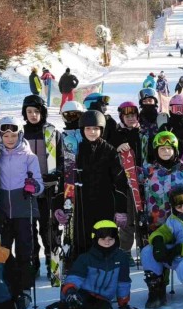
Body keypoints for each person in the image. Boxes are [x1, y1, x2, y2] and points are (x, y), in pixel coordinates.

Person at [28, 220, 134, 309]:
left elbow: (123, 282)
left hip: (101, 298)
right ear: (95, 239)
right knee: (76, 302)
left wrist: (123, 302)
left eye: (110, 239)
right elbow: (74, 278)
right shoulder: (86, 258)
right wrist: (70, 291)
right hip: (81, 292)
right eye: (103, 239)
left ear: (116, 239)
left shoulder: (121, 258)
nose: (107, 242)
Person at [55, 111, 130, 266]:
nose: (92, 132)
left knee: (104, 241)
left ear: (101, 130)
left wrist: (121, 210)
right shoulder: (74, 151)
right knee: (82, 244)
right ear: (82, 130)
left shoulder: (110, 151)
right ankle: (80, 279)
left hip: (104, 206)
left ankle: (106, 277)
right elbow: (65, 181)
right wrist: (58, 206)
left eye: (95, 129)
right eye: (88, 129)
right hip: (81, 208)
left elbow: (120, 183)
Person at [0, 116, 45, 304]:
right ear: (0, 136)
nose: (10, 139)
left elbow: (39, 184)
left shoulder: (29, 157)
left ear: (19, 134)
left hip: (24, 208)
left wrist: (34, 187)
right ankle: (8, 284)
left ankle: (25, 289)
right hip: (4, 210)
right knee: (4, 249)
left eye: (13, 135)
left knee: (26, 250)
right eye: (5, 135)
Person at [21, 94, 61, 279]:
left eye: (37, 111)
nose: (33, 115)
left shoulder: (52, 133)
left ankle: (52, 262)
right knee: (29, 229)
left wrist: (57, 172)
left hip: (49, 189)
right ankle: (32, 262)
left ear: (42, 112)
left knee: (49, 228)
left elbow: (62, 159)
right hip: (26, 191)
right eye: (29, 112)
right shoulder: (20, 134)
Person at [107, 101, 145, 252]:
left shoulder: (143, 133)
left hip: (143, 182)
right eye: (127, 116)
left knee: (142, 217)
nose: (131, 118)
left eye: (133, 115)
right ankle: (125, 251)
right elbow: (107, 151)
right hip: (124, 182)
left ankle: (144, 247)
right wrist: (116, 148)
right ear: (121, 117)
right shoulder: (116, 134)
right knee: (127, 218)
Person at [142, 131, 183, 233]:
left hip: (179, 223)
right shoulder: (148, 171)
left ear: (175, 150)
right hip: (155, 223)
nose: (166, 151)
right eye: (162, 148)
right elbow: (129, 175)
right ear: (156, 151)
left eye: (169, 148)